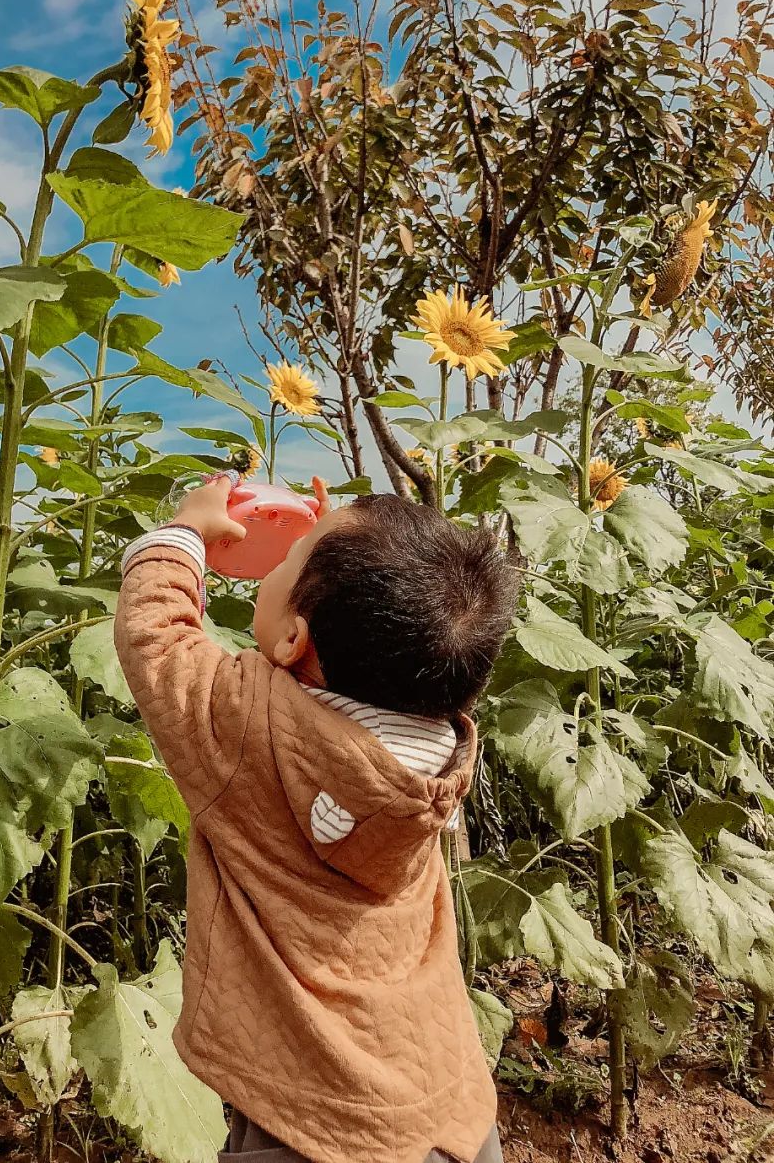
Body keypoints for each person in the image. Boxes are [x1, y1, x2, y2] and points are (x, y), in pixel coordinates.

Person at [114, 474, 518, 1163]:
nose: (287, 549)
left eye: (292, 554)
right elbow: (389, 608)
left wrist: (186, 529)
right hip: (447, 1105)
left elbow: (156, 634)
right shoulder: (435, 758)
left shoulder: (252, 727)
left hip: (310, 1116)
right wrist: (337, 537)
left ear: (292, 636)